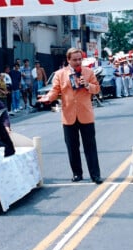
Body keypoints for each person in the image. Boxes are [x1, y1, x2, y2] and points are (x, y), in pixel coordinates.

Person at [38, 47, 103, 184]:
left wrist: (88, 86)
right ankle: (77, 174)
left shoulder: (89, 72)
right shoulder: (60, 74)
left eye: (80, 59)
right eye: (75, 60)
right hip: (69, 115)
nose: (78, 62)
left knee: (90, 146)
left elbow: (97, 89)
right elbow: (55, 90)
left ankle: (95, 175)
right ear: (68, 60)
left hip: (86, 114)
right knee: (72, 147)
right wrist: (48, 98)